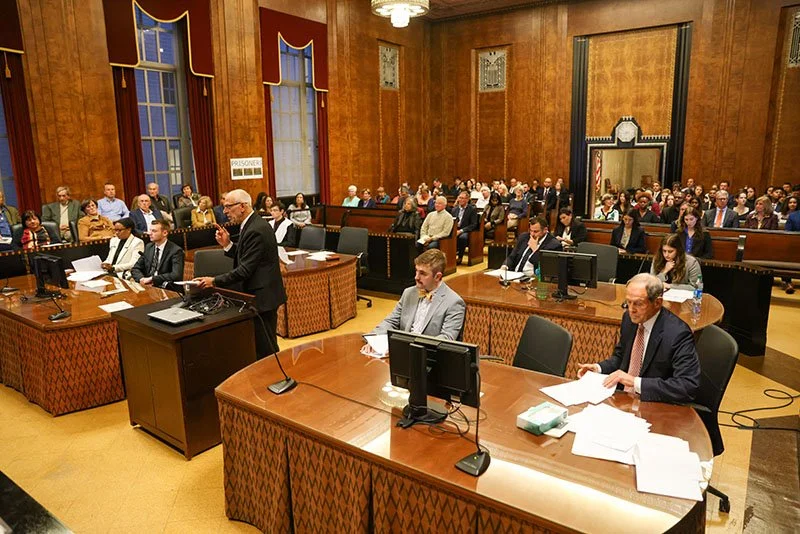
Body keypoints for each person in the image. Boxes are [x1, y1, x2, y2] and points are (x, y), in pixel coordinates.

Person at [577, 273, 700, 403]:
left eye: (638, 304)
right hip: (624, 401)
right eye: (628, 302)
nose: (631, 310)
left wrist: (634, 382)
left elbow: (687, 386)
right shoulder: (629, 320)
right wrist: (598, 368)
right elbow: (621, 358)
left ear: (657, 302)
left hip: (655, 405)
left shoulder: (677, 334)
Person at [193, 190, 287, 359]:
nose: (225, 212)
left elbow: (245, 270)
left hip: (262, 297)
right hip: (258, 294)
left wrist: (214, 281)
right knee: (261, 344)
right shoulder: (251, 224)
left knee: (265, 347)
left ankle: (274, 379)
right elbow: (247, 257)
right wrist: (228, 244)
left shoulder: (256, 229)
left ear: (242, 206)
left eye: (228, 207)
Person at [372, 249, 465, 340]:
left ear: (437, 276)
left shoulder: (454, 303)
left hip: (429, 353)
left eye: (422, 273)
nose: (416, 277)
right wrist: (373, 338)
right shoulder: (409, 293)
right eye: (416, 271)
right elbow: (391, 321)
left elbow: (446, 339)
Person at [130, 219, 184, 290]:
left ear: (165, 233)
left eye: (154, 231)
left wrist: (152, 279)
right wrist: (141, 279)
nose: (149, 233)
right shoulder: (149, 247)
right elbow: (136, 268)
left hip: (167, 288)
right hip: (148, 287)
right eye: (150, 230)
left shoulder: (176, 251)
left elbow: (176, 275)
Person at [450, 191, 479, 264]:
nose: (460, 200)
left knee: (462, 237)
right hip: (455, 229)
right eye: (459, 198)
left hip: (466, 230)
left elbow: (473, 224)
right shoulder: (454, 209)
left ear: (467, 199)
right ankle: (450, 257)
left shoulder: (472, 209)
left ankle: (460, 257)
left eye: (463, 198)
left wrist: (461, 231)